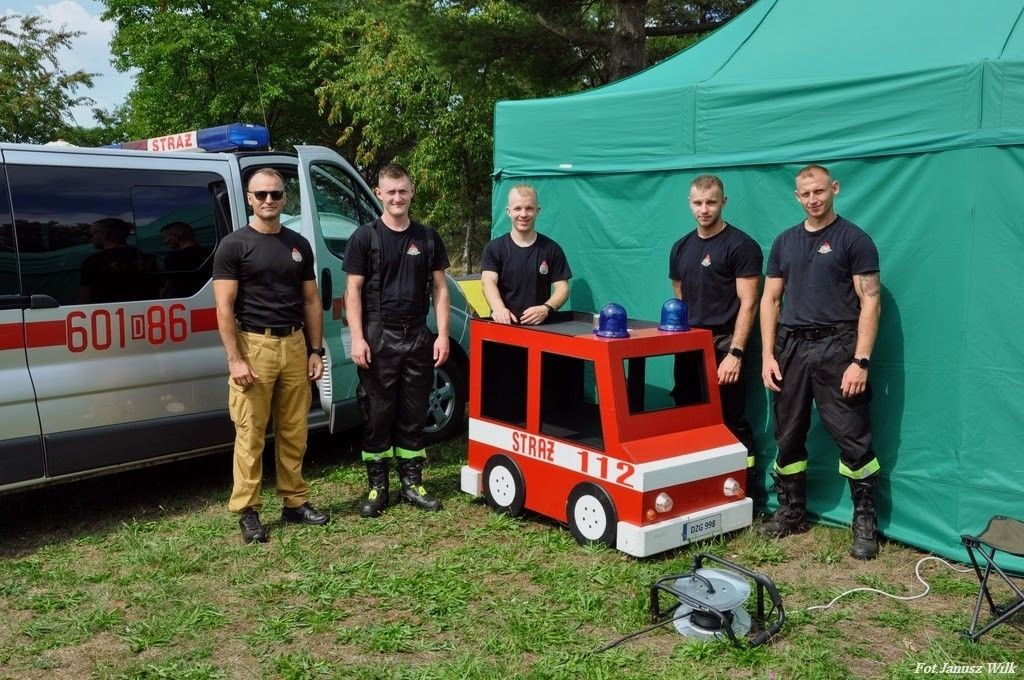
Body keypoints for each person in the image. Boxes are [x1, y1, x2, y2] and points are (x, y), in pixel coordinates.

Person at [759, 164, 882, 560]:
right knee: (788, 433)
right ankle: (791, 512)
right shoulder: (783, 242)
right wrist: (766, 355)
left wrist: (860, 361)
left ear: (835, 189)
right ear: (797, 197)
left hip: (838, 347)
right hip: (790, 348)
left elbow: (870, 301)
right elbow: (770, 300)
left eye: (820, 191)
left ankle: (865, 523)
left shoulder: (854, 239)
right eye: (805, 194)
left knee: (852, 437)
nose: (813, 199)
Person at [212, 168, 329, 544]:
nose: (268, 200)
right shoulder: (234, 245)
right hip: (254, 347)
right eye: (261, 194)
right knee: (250, 434)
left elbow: (311, 300)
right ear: (249, 198)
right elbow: (223, 308)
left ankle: (294, 502)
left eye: (275, 194)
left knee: (294, 430)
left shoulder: (298, 244)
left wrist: (315, 350)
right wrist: (235, 359)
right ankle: (247, 511)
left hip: (294, 344)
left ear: (284, 198)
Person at [343, 163, 450, 518]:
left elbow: (440, 289)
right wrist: (357, 338)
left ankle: (412, 483)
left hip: (418, 333)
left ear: (412, 190)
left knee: (414, 410)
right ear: (379, 193)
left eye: (402, 190)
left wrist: (443, 335)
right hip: (378, 334)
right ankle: (377, 487)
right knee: (378, 412)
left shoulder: (429, 237)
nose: (397, 197)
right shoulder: (365, 237)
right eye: (390, 191)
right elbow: (352, 291)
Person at [668, 175, 762, 472]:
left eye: (711, 202)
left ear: (724, 202)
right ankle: (695, 482)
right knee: (687, 415)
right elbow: (680, 296)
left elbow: (749, 302)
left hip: (725, 348)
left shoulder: (742, 246)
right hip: (689, 348)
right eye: (698, 202)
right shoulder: (680, 247)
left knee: (730, 420)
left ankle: (745, 488)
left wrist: (735, 354)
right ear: (689, 204)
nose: (704, 209)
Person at [480, 184, 571, 325]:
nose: (523, 214)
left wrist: (546, 308)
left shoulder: (552, 248)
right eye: (517, 208)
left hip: (541, 329)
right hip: (503, 327)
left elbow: (563, 288)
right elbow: (488, 282)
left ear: (537, 211)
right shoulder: (494, 248)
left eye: (529, 208)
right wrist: (499, 309)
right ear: (508, 211)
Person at [78, 217, 159, 303]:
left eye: (92, 234)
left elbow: (84, 298)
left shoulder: (93, 261)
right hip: (145, 312)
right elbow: (158, 290)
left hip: (108, 313)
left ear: (105, 234)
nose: (91, 238)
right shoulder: (146, 257)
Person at [160, 221, 211, 298]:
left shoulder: (173, 259)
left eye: (165, 237)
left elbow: (171, 286)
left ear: (176, 236)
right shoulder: (211, 253)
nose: (164, 242)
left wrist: (163, 291)